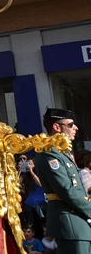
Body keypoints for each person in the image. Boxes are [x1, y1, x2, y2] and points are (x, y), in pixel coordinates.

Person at [33, 107, 91, 254]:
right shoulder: (49, 154)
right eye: (70, 124)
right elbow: (67, 190)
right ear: (57, 127)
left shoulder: (61, 153)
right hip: (69, 224)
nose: (75, 128)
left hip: (78, 221)